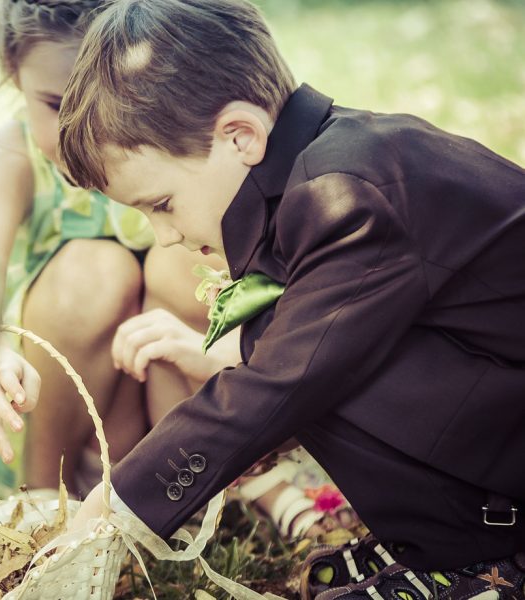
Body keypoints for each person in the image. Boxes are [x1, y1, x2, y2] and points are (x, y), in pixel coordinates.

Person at [57, 0, 525, 598]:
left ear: (240, 136)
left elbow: (284, 380)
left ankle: (486, 551)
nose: (165, 235)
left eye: (162, 205)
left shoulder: (344, 196)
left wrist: (115, 504)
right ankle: (444, 535)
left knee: (303, 361)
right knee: (281, 335)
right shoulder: (324, 166)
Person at [0, 0, 348, 542]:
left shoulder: (177, 149)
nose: (82, 130)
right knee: (92, 270)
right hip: (80, 417)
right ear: (12, 75)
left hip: (185, 403)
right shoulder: (9, 156)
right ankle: (44, 498)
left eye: (99, 102)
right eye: (55, 104)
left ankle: (238, 472)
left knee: (184, 259)